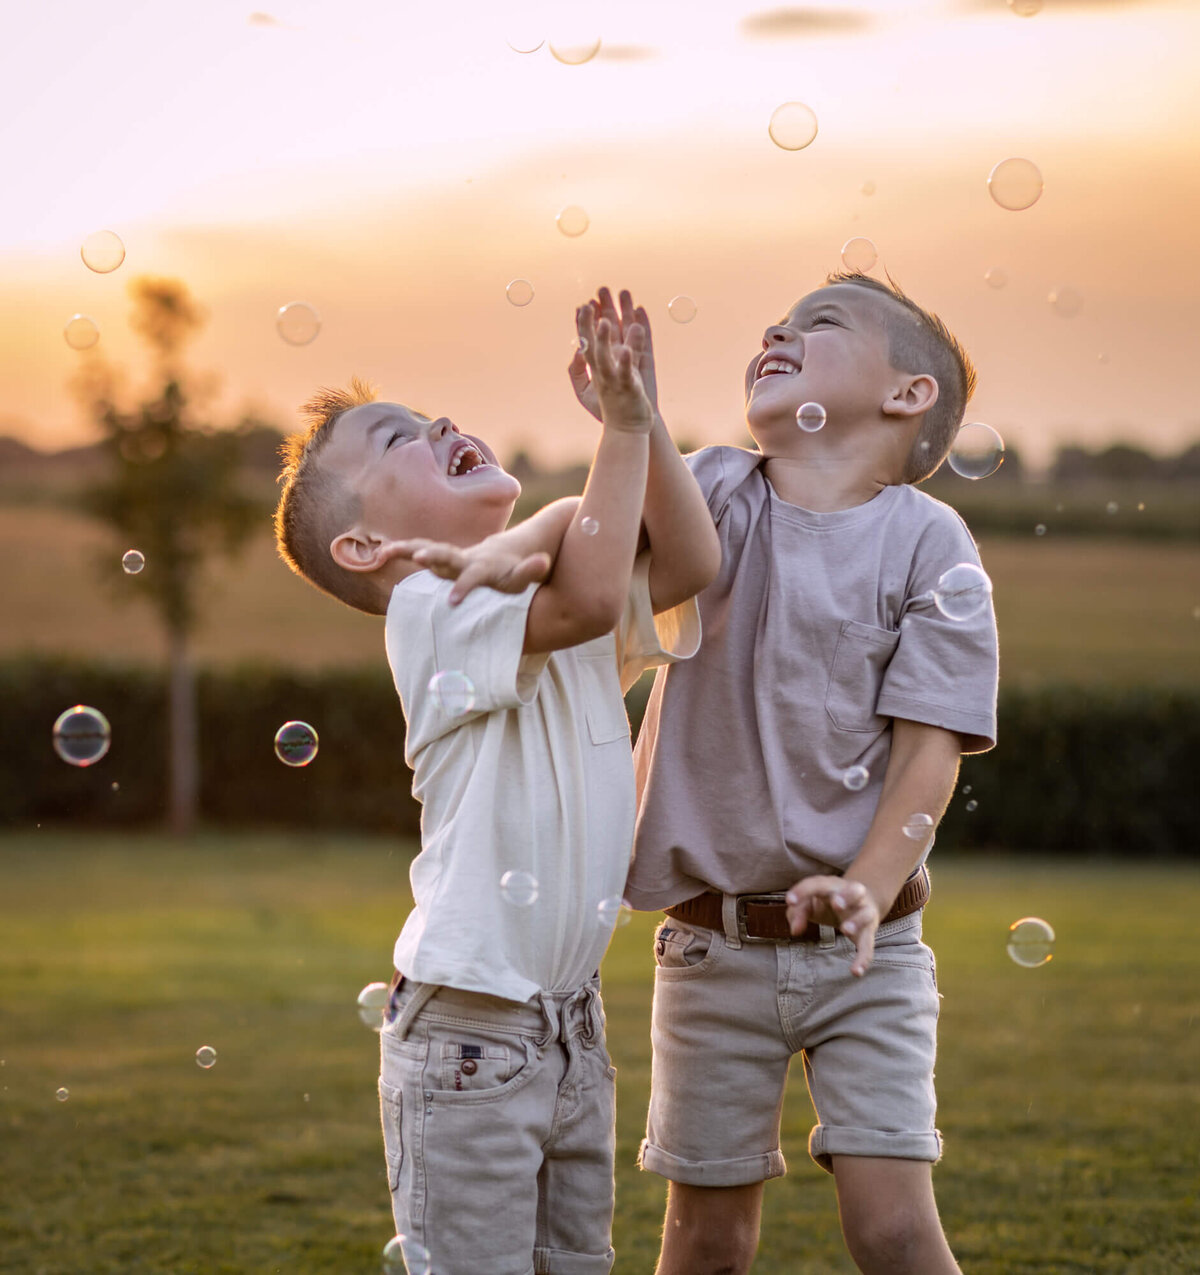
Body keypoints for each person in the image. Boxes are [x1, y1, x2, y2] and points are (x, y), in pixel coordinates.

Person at [271, 301, 718, 1275]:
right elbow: (594, 589)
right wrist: (616, 446)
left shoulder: (537, 603)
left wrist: (636, 414)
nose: (438, 425)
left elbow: (692, 562)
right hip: (472, 1033)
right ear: (366, 550)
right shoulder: (433, 609)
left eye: (429, 414)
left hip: (566, 1027)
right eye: (397, 437)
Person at [619, 270, 1000, 1275]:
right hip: (712, 946)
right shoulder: (716, 492)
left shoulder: (930, 542)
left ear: (907, 395)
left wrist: (868, 892)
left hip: (868, 954)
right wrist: (634, 421)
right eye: (775, 323)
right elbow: (610, 564)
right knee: (705, 1241)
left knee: (892, 1228)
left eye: (817, 325)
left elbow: (928, 751)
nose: (775, 331)